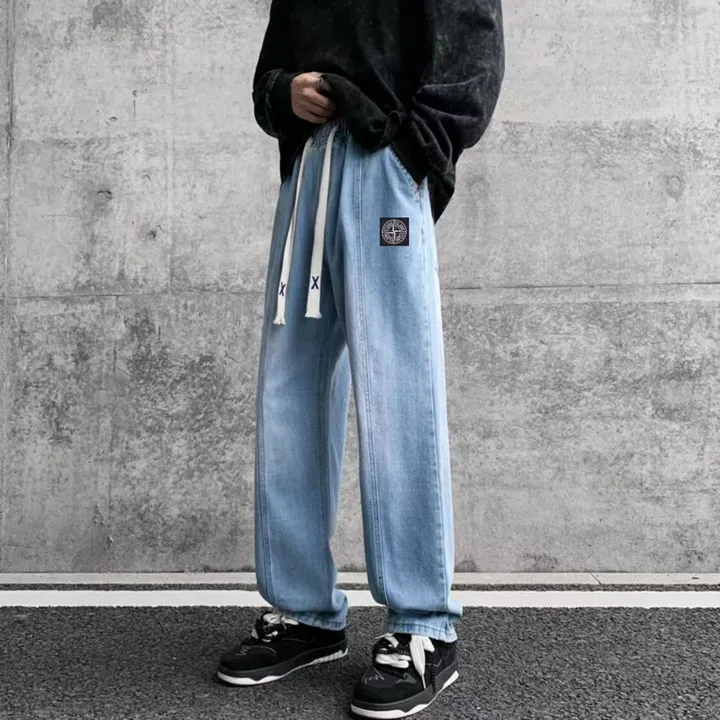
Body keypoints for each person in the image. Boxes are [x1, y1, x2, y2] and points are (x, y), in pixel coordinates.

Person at [216, 1, 505, 716]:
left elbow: (472, 57)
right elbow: (270, 71)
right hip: (309, 171)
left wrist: (413, 156)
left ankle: (424, 625)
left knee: (398, 390)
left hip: (386, 166)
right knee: (289, 393)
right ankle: (305, 614)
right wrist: (284, 93)